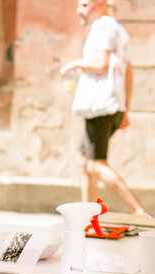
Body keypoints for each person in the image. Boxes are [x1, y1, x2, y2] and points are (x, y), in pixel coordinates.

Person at [60, 0, 146, 214]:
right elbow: (128, 70)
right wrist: (124, 108)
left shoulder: (101, 26)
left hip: (100, 106)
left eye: (84, 5)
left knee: (96, 163)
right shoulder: (117, 28)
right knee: (83, 160)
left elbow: (101, 64)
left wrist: (74, 63)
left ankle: (139, 212)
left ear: (99, 3)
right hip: (111, 106)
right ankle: (88, 217)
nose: (79, 10)